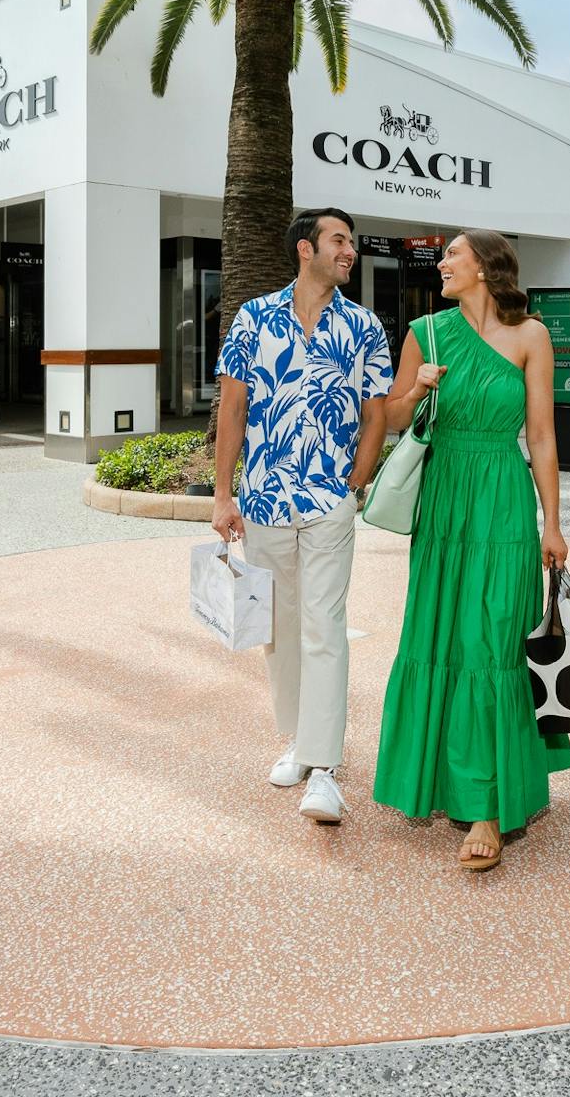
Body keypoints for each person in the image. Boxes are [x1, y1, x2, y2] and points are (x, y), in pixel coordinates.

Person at [373, 229, 570, 871]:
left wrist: (553, 523)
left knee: (493, 640)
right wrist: (417, 390)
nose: (443, 265)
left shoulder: (531, 336)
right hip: (446, 504)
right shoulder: (425, 334)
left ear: (486, 268)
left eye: (453, 256)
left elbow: (541, 436)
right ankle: (443, 783)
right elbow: (392, 420)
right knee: (447, 640)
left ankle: (486, 805)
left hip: (506, 502)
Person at [212, 208, 392, 825]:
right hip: (263, 498)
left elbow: (378, 414)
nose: (350, 251)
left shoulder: (365, 327)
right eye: (339, 240)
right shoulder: (253, 318)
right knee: (278, 628)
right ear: (304, 248)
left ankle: (324, 769)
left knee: (324, 626)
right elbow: (232, 409)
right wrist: (222, 495)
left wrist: (356, 483)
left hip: (328, 503)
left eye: (352, 243)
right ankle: (295, 739)